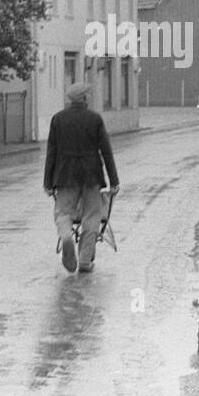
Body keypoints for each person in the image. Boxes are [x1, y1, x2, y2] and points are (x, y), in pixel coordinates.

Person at [43, 81, 120, 273]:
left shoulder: (58, 119)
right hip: (91, 175)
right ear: (84, 99)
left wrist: (48, 182)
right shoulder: (94, 119)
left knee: (62, 213)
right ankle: (85, 260)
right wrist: (114, 181)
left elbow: (51, 152)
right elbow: (106, 151)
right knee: (92, 216)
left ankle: (67, 236)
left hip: (65, 175)